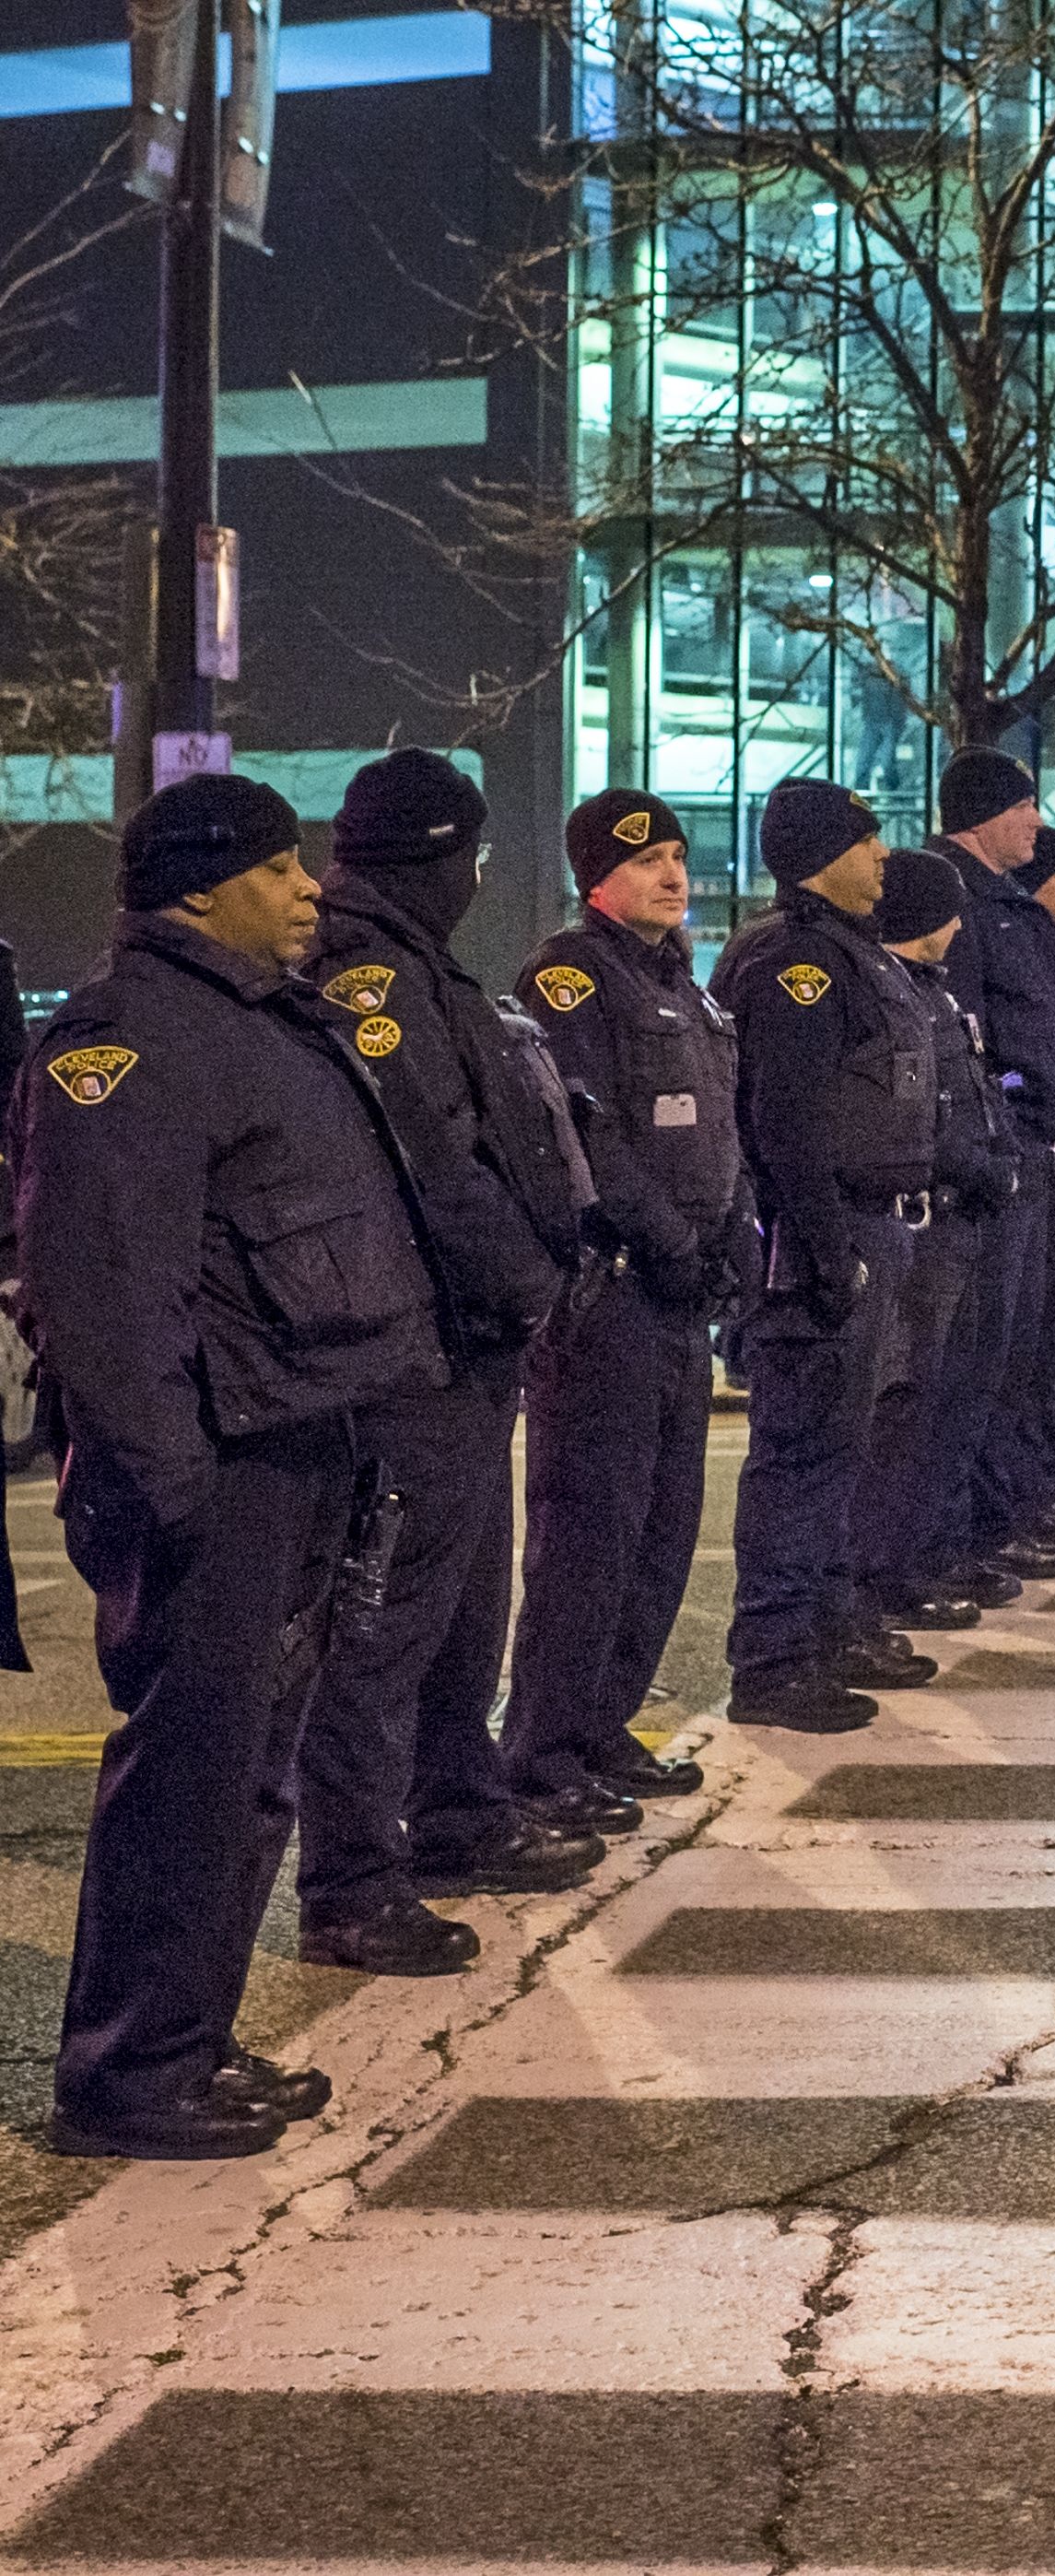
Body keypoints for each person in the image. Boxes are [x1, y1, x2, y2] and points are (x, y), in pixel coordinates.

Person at [12, 777, 445, 2157]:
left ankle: (185, 2040)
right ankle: (130, 2071)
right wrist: (174, 1484)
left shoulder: (250, 1020)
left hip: (294, 1442)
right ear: (202, 886)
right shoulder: (126, 1042)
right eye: (280, 867)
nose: (311, 888)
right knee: (191, 1770)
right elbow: (104, 1289)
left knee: (247, 1766)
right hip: (219, 1467)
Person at [294, 749, 598, 1978]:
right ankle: (353, 1881)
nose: (478, 873)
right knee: (385, 1622)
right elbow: (433, 1158)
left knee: (464, 1603)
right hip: (421, 1344)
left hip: (464, 1342)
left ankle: (457, 1809)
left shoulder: (420, 960)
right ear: (435, 854)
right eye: (467, 852)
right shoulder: (375, 972)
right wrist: (529, 1282)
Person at [505, 789, 744, 1817]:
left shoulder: (682, 985)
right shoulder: (570, 976)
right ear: (595, 875)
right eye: (648, 860)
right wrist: (673, 1239)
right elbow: (588, 1139)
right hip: (613, 1298)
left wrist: (730, 1234)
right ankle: (546, 1755)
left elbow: (714, 1135)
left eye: (680, 857)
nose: (673, 876)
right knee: (589, 1532)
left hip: (678, 1297)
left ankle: (604, 1727)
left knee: (661, 1528)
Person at [714, 778, 942, 1732]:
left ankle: (828, 1623)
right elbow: (787, 1119)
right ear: (820, 853)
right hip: (828, 1236)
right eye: (868, 838)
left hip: (867, 1227)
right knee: (802, 1450)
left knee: (843, 1447)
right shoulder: (795, 961)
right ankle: (774, 1656)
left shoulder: (848, 953)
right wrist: (824, 1246)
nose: (884, 854)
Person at [851, 851, 1024, 1629]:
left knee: (955, 1395)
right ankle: (890, 1569)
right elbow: (912, 1121)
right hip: (927, 1227)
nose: (960, 927)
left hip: (963, 1217)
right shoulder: (895, 996)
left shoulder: (932, 994)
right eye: (949, 912)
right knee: (907, 1404)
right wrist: (975, 1166)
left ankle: (931, 1549)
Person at [933, 762, 1055, 1586]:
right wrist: (998, 1126)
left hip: (1032, 1149)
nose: (1037, 819)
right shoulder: (955, 901)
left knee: (1015, 1349)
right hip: (997, 1155)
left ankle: (996, 1512)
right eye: (1024, 804)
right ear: (985, 813)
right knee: (975, 1360)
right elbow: (963, 1040)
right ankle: (969, 1528)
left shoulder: (1005, 906)